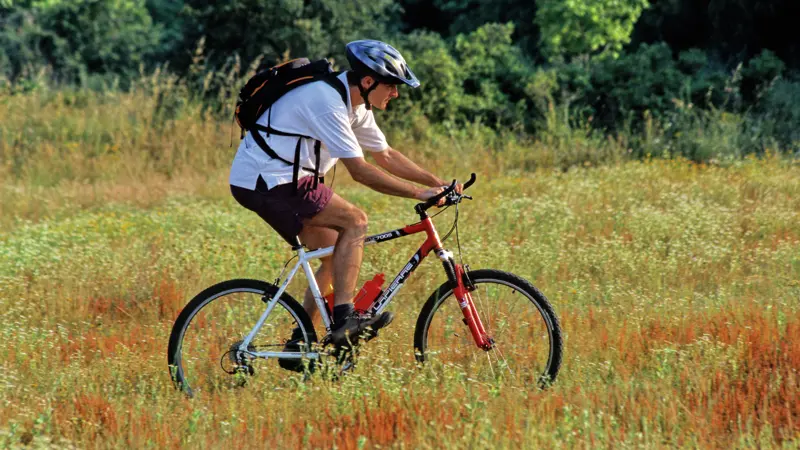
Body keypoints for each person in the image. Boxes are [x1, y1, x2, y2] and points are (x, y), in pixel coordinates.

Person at [228, 40, 459, 369]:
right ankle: (345, 321)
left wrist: (437, 184)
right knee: (356, 221)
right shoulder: (327, 102)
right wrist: (419, 194)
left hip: (281, 180)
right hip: (269, 181)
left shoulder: (357, 106)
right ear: (368, 81)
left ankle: (299, 342)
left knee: (334, 252)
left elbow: (386, 155)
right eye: (392, 86)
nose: (396, 94)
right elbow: (361, 171)